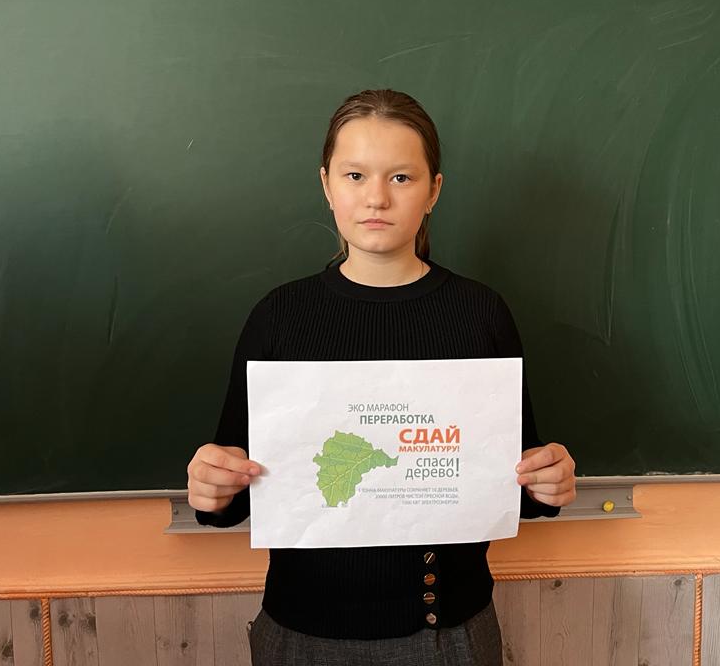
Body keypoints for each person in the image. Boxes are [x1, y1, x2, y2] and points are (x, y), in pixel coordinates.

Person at [187, 89, 577, 666]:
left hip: (448, 634)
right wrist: (213, 486)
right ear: (326, 184)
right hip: (302, 634)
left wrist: (547, 482)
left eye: (401, 177)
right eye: (354, 175)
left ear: (433, 190)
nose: (376, 197)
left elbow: (514, 475)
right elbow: (233, 485)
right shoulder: (280, 317)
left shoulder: (480, 314)